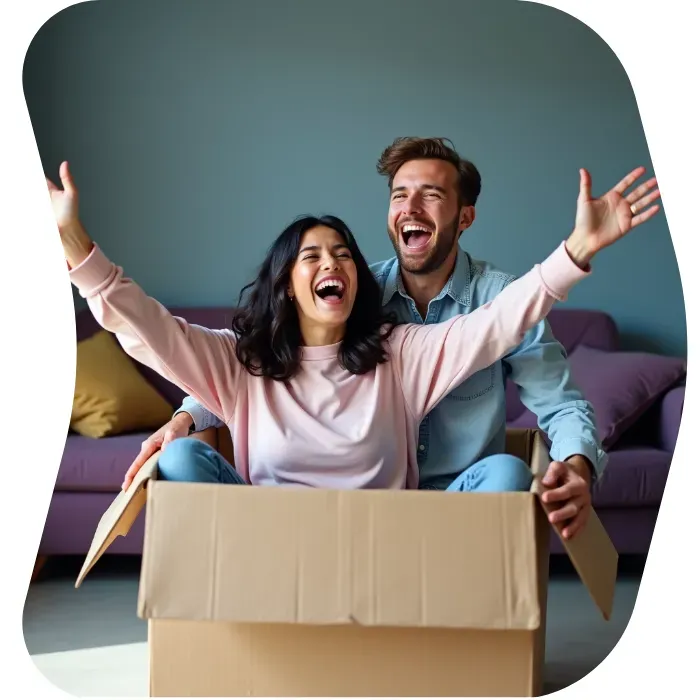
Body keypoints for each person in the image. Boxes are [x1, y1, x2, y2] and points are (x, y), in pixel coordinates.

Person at [51, 158, 659, 525]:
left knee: (503, 470)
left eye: (341, 253)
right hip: (266, 542)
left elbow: (500, 321)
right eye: (311, 256)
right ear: (288, 286)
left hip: (396, 540)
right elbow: (146, 329)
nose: (331, 262)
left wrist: (575, 252)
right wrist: (75, 242)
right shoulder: (242, 360)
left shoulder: (402, 350)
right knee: (177, 458)